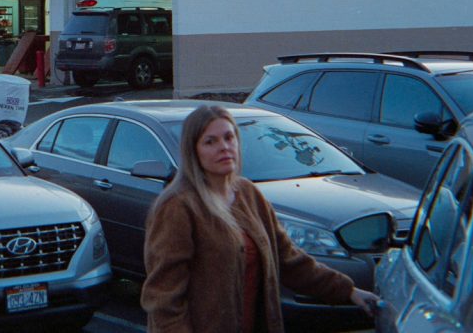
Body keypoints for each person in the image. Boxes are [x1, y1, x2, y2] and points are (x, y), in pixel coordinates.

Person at [141, 104, 380, 333]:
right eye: (210, 141)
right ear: (193, 151)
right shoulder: (178, 207)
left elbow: (290, 260)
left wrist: (349, 291)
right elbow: (164, 297)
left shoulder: (248, 194)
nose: (224, 147)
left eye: (229, 137)